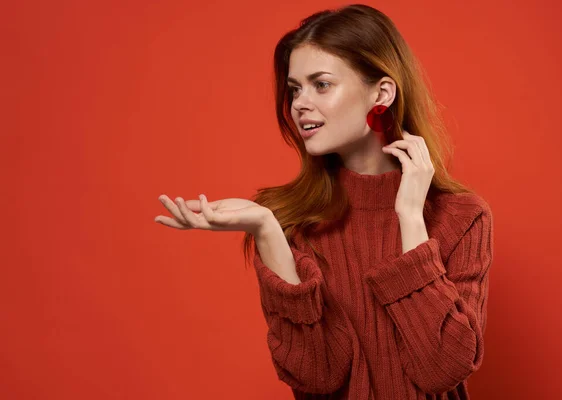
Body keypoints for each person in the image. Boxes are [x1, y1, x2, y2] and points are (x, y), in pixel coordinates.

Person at [154, 4, 494, 400]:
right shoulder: (290, 221)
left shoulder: (463, 217)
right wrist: (268, 231)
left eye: (322, 84)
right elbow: (317, 375)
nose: (299, 103)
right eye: (295, 88)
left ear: (381, 93)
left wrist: (409, 217)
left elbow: (442, 369)